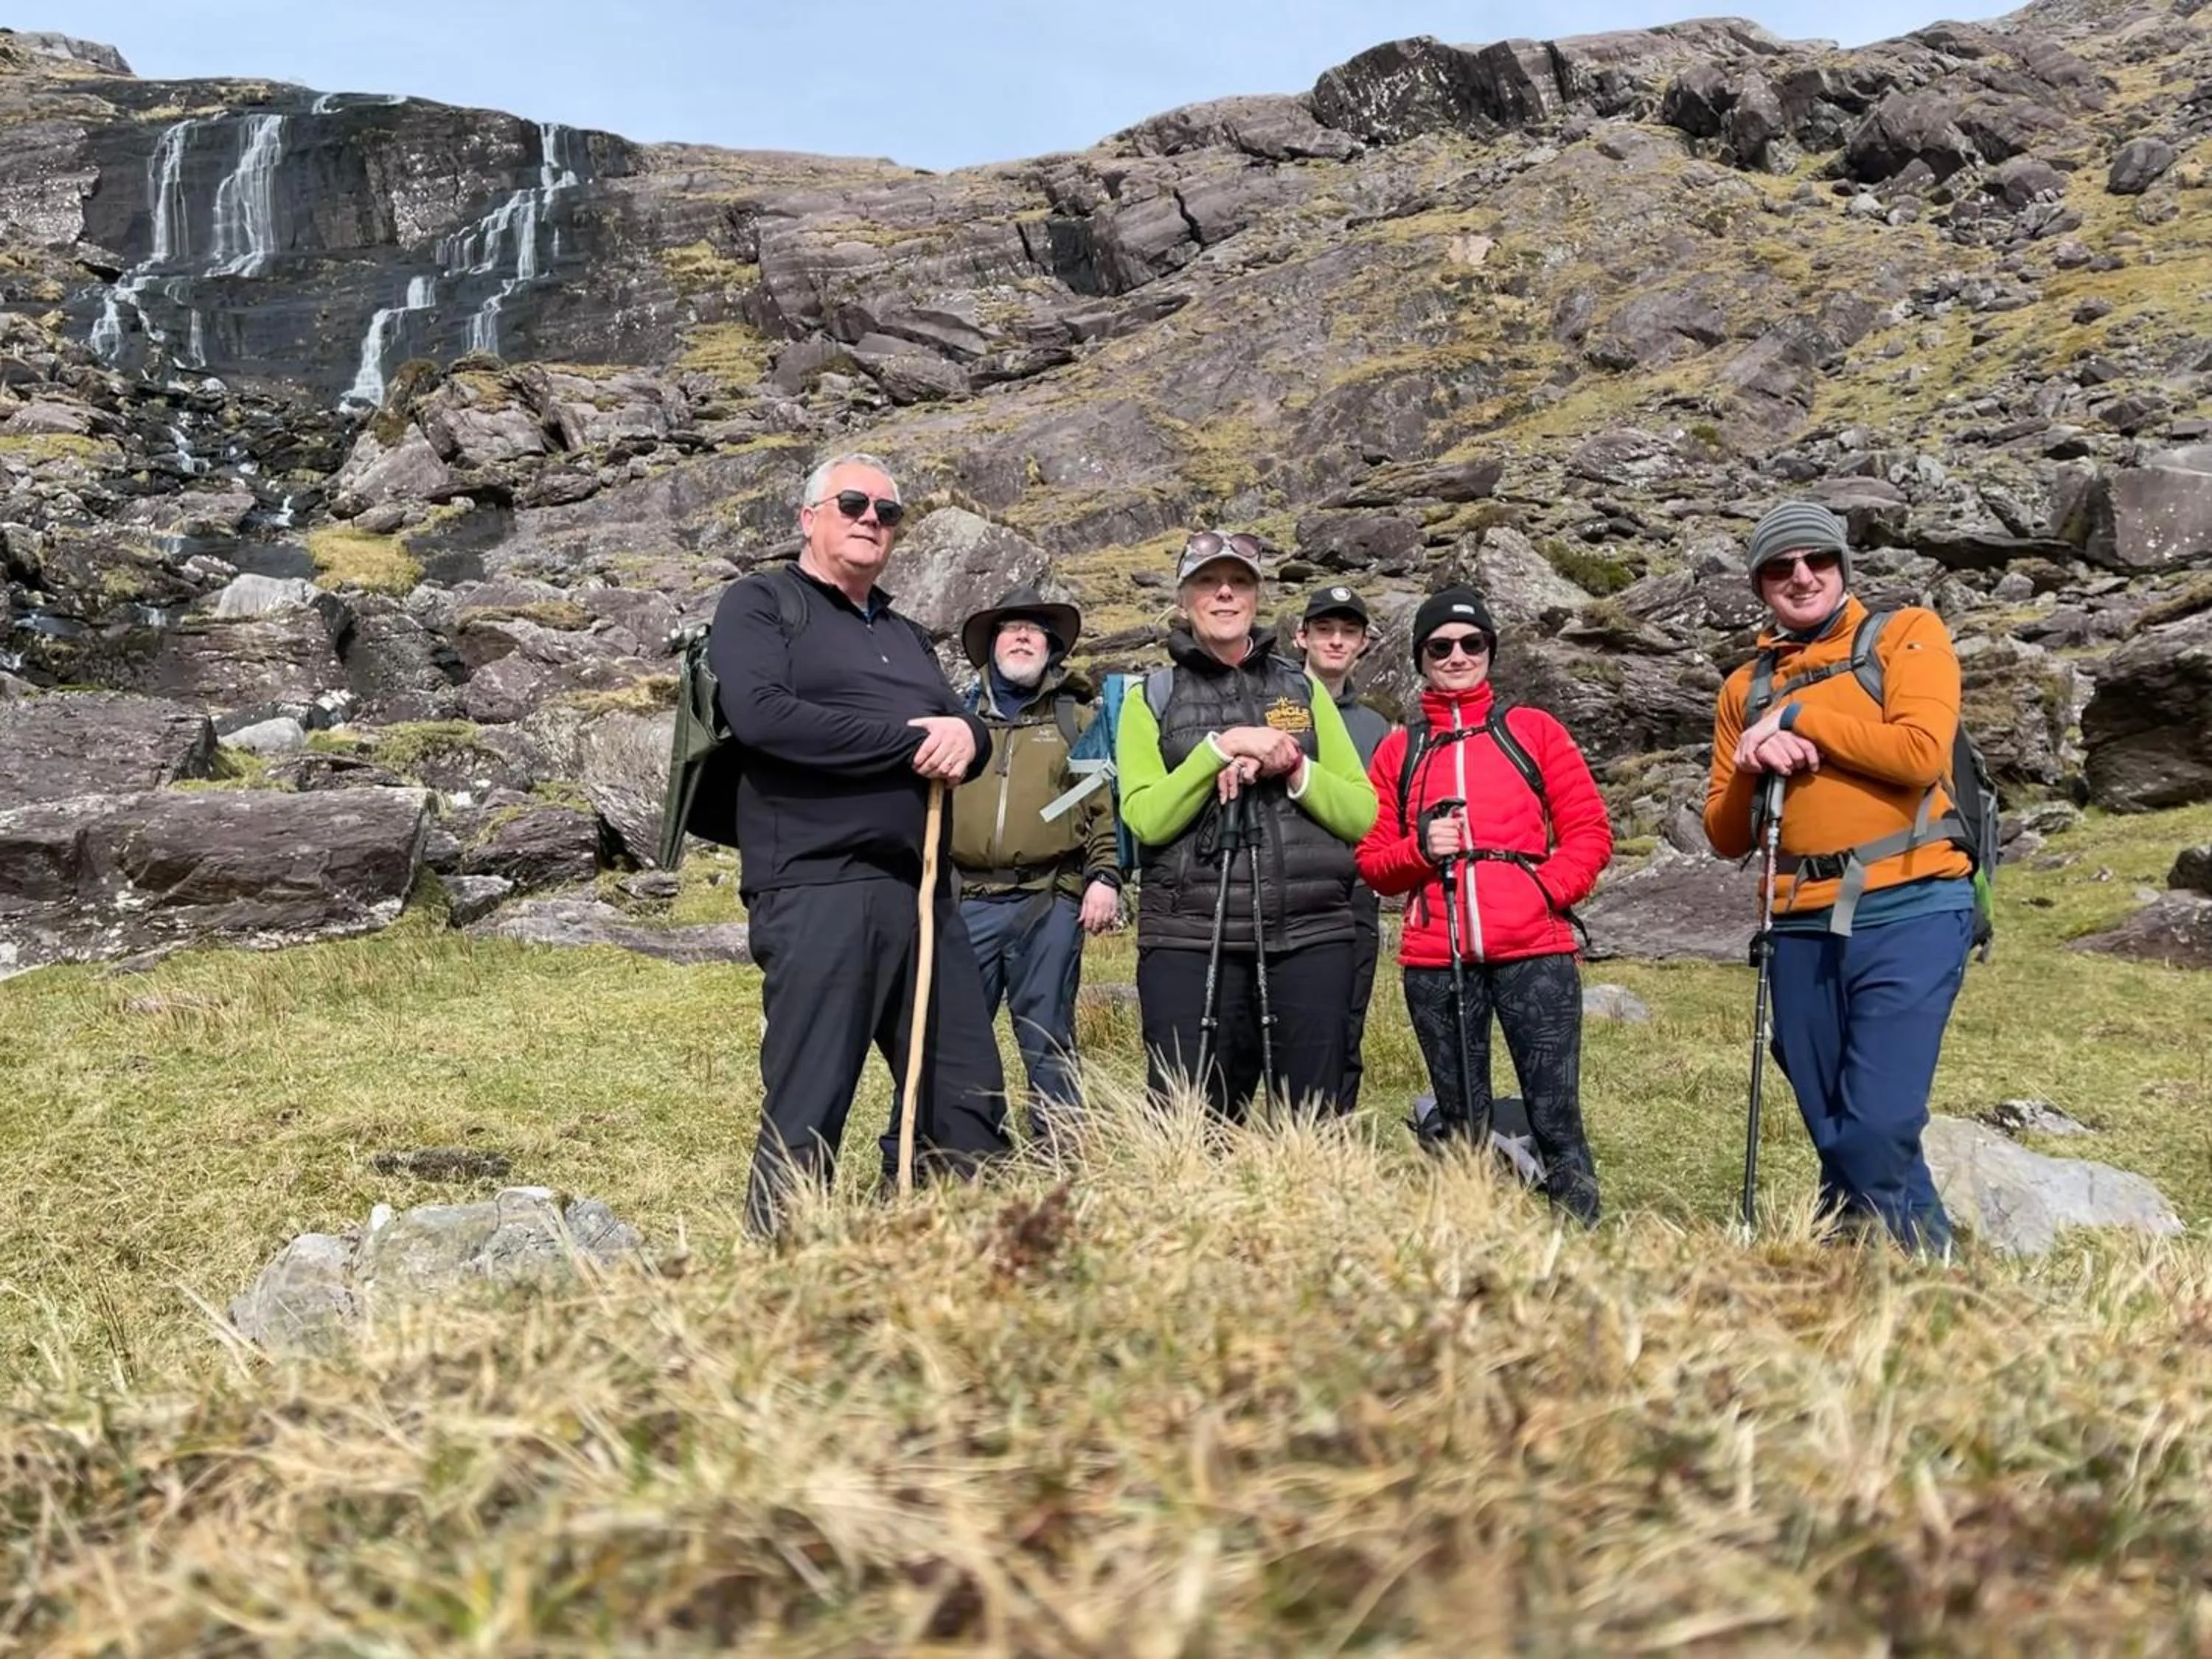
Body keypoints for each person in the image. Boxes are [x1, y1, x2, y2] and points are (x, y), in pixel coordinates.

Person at [709, 451, 1010, 1234]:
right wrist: (912, 741)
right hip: (817, 885)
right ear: (809, 517)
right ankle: (782, 1277)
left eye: (888, 510)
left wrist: (966, 737)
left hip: (922, 896)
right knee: (811, 1096)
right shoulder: (762, 604)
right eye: (852, 503)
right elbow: (763, 717)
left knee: (966, 1097)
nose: (872, 518)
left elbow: (965, 727)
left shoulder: (906, 633)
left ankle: (960, 1267)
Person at [1704, 499, 1972, 1253]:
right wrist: (1752, 768)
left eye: (1817, 559)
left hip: (1913, 904)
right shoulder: (1742, 690)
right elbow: (1725, 836)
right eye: (1780, 567)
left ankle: (1885, 1259)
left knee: (1877, 1123)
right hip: (1797, 923)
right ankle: (1896, 1275)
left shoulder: (1907, 634)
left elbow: (1921, 752)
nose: (1801, 576)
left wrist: (1800, 722)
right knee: (1835, 1124)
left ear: (1842, 567)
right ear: (1759, 584)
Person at [1356, 587, 1611, 1225]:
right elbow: (1373, 863)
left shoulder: (1534, 731)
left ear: (1490, 651)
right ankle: (1472, 1229)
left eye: (1472, 643)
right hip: (1436, 961)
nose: (1457, 655)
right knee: (1461, 1114)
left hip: (1536, 954)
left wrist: (1544, 892)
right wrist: (1422, 849)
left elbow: (1588, 832)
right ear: (1422, 659)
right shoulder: (1399, 751)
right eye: (1440, 646)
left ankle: (1578, 1231)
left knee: (1555, 1110)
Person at [1115, 530, 1378, 1121]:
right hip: (1190, 940)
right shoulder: (1148, 700)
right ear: (1185, 601)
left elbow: (1362, 813)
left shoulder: (1304, 690)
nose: (1225, 594)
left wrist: (1294, 766)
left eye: (1239, 583)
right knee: (1188, 1119)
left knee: (1311, 1118)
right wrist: (1220, 748)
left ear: (1258, 599)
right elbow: (1145, 819)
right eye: (1208, 582)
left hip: (1309, 936)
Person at [947, 583, 1122, 1145]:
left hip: (1050, 900)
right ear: (991, 645)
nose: (1022, 636)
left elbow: (1102, 807)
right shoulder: (955, 716)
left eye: (1034, 631)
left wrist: (1104, 877)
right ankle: (964, 1147)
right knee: (956, 1033)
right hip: (965, 901)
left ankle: (1061, 1153)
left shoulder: (1077, 718)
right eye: (1010, 628)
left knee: (1047, 1033)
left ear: (1051, 649)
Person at [1294, 583, 1392, 1112]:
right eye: (1325, 630)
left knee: (1346, 1023)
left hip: (1353, 894)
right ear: (1300, 637)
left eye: (1348, 632)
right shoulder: (1273, 704)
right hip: (1281, 888)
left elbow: (1381, 814)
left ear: (1364, 644)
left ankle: (1333, 1135)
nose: (1336, 642)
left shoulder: (1376, 725)